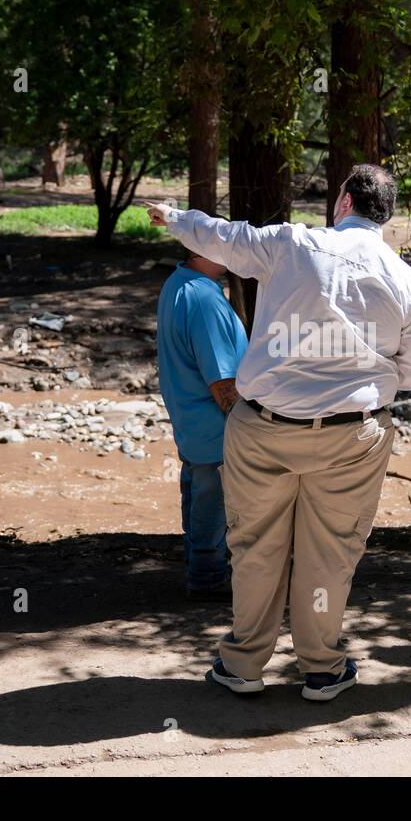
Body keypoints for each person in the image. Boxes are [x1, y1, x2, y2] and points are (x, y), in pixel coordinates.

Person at [145, 164, 411, 701]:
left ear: (344, 201)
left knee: (256, 547)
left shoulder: (291, 244)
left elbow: (222, 237)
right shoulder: (403, 277)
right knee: (331, 553)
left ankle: (243, 664)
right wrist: (369, 379)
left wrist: (174, 218)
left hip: (264, 428)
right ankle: (322, 669)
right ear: (385, 215)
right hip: (351, 438)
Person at [156, 248, 248, 601]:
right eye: (220, 240)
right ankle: (207, 579)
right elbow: (223, 382)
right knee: (213, 500)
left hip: (191, 420)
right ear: (199, 248)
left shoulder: (177, 283)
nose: (230, 246)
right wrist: (248, 427)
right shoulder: (204, 298)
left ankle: (199, 569)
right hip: (216, 426)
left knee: (198, 494)